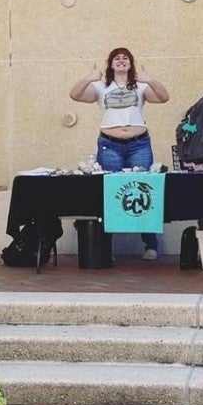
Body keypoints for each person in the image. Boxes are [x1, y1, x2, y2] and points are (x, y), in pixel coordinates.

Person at [70, 47, 169, 259]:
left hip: (139, 144)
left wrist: (150, 79)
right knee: (111, 192)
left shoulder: (141, 86)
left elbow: (163, 97)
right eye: (117, 58)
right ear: (111, 64)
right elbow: (75, 95)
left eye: (126, 58)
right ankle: (106, 247)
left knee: (144, 191)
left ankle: (150, 245)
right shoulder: (100, 86)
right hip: (109, 145)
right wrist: (89, 77)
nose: (121, 60)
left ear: (131, 63)